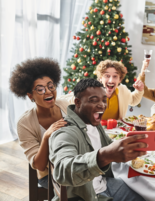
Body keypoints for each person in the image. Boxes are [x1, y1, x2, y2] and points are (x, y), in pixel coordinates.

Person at [49, 78, 147, 201]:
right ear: (78, 102)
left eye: (104, 100)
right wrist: (104, 156)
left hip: (104, 184)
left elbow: (107, 144)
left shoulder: (93, 122)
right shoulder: (65, 132)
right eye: (94, 100)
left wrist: (126, 146)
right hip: (85, 196)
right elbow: (63, 170)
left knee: (144, 197)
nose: (102, 105)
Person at [9, 58, 74, 189]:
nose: (49, 92)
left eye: (51, 86)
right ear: (30, 96)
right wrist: (46, 136)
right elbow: (39, 165)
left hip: (76, 165)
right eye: (40, 89)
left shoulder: (66, 105)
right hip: (49, 175)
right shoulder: (25, 123)